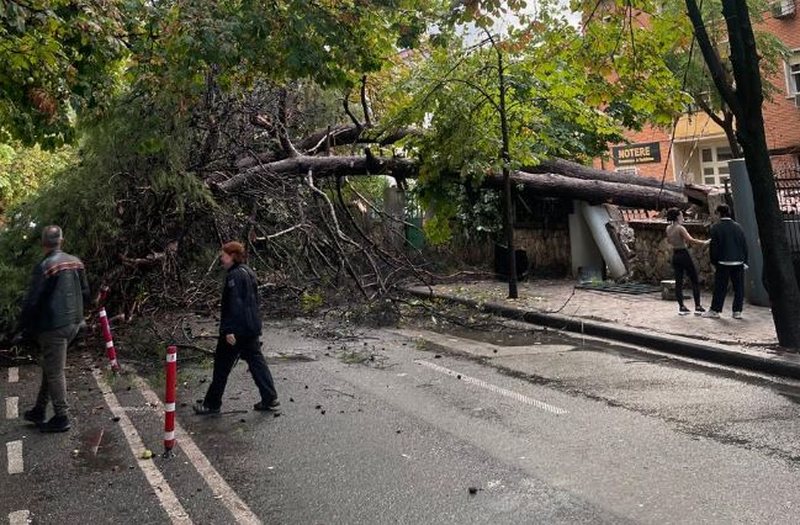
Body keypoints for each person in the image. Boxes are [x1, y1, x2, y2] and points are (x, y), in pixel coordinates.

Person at [15, 225, 89, 433]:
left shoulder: (45, 266)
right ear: (61, 241)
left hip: (53, 326)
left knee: (55, 372)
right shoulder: (76, 262)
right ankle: (39, 409)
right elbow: (85, 292)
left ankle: (61, 416)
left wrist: (22, 329)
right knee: (51, 366)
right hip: (75, 323)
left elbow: (33, 301)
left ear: (43, 244)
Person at [195, 241, 279, 415]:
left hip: (237, 331)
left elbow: (235, 304)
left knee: (221, 367)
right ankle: (269, 397)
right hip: (251, 328)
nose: (221, 259)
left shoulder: (234, 276)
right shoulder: (248, 272)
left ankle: (211, 404)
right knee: (257, 363)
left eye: (224, 256)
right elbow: (253, 303)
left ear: (232, 256)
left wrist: (228, 330)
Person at [703, 204, 748, 319]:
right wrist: (744, 261)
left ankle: (715, 310)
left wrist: (714, 262)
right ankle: (737, 311)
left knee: (720, 287)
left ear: (718, 213)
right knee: (739, 288)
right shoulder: (738, 227)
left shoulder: (716, 228)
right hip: (738, 261)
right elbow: (744, 245)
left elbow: (714, 247)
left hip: (723, 262)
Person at [665, 208, 710, 315]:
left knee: (678, 281)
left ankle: (681, 306)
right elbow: (690, 239)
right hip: (683, 253)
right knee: (694, 279)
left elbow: (669, 241)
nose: (682, 217)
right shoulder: (680, 228)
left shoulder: (668, 228)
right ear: (677, 217)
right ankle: (698, 306)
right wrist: (703, 242)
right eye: (681, 215)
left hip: (675, 254)